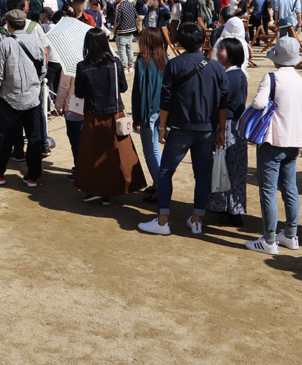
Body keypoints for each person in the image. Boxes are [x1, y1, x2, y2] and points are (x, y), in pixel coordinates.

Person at [138, 23, 228, 236]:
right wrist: (221, 130)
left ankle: (162, 221)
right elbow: (223, 102)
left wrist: (162, 127)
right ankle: (197, 219)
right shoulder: (216, 67)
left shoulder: (175, 64)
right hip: (207, 128)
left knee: (166, 172)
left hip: (180, 128)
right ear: (202, 41)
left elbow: (166, 99)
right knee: (201, 175)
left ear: (180, 42)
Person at [244, 37, 302, 255]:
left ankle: (269, 239)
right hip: (295, 142)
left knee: (268, 190)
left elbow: (258, 104)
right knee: (290, 189)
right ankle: (290, 234)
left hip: (273, 140)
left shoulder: (272, 77)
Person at [72, 28, 146, 203]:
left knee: (92, 153)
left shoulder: (83, 66)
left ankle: (97, 189)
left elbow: (79, 92)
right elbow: (123, 88)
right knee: (117, 154)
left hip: (93, 115)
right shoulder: (115, 62)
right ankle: (115, 189)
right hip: (115, 113)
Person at [0, 9, 46, 187]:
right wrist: (34, 85)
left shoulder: (5, 43)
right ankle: (33, 176)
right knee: (34, 138)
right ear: (24, 24)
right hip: (32, 97)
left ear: (8, 25)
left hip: (10, 96)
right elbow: (43, 69)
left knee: (4, 136)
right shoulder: (36, 41)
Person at [206, 38, 249, 225]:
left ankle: (231, 210)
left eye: (221, 50)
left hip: (229, 125)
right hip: (236, 126)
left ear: (231, 54)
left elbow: (220, 102)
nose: (218, 53)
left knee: (227, 167)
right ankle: (229, 207)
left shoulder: (230, 77)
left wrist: (220, 129)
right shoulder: (239, 74)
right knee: (232, 168)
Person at [132, 27, 168, 203]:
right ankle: (158, 182)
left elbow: (138, 93)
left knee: (150, 149)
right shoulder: (165, 60)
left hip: (148, 111)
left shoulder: (142, 63)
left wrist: (137, 118)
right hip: (161, 111)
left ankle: (161, 186)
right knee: (154, 147)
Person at [111, 0, 137, 73]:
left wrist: (114, 29)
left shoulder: (119, 6)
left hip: (122, 31)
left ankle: (124, 67)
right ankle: (131, 66)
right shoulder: (131, 4)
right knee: (129, 49)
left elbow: (117, 20)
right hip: (131, 30)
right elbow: (136, 15)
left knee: (122, 50)